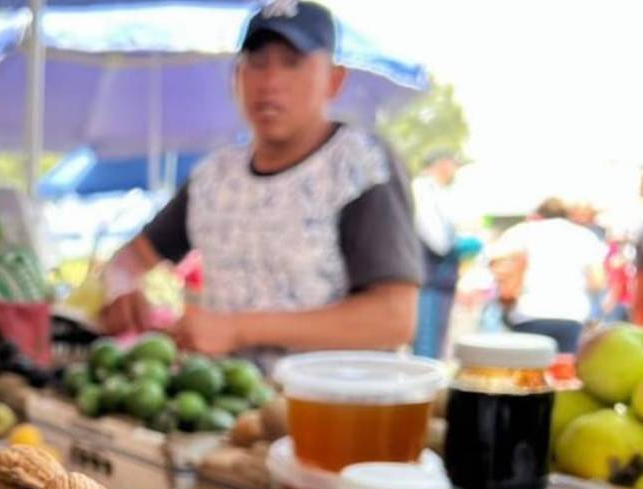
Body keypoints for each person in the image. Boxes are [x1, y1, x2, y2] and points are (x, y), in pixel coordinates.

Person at [100, 1, 421, 367]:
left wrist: (238, 329)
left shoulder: (361, 165)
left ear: (334, 80)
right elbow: (131, 258)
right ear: (236, 76)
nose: (270, 82)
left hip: (338, 409)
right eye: (257, 62)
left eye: (292, 62)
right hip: (230, 406)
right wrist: (124, 290)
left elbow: (394, 317)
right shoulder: (213, 178)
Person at [490, 198, 606, 352]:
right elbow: (597, 282)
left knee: (529, 370)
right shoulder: (585, 236)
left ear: (538, 214)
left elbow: (496, 264)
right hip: (571, 314)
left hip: (527, 312)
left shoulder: (521, 232)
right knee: (563, 369)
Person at [411, 150, 479, 358]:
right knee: (427, 345)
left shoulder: (444, 193)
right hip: (429, 278)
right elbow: (437, 240)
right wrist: (458, 244)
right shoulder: (422, 189)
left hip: (443, 279)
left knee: (436, 342)